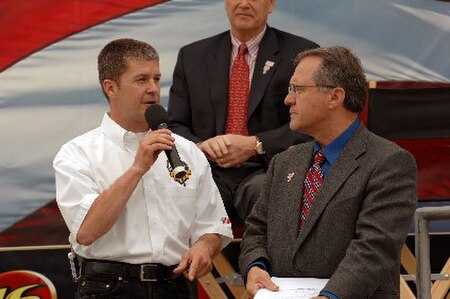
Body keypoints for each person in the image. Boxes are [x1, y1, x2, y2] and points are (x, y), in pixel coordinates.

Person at [53, 38, 233, 298]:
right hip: (108, 287)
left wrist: (205, 247)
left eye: (157, 79)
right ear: (110, 87)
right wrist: (138, 168)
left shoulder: (187, 151)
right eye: (141, 80)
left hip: (175, 284)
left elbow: (214, 225)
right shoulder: (78, 153)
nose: (153, 89)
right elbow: (86, 232)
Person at [239, 46, 418, 298]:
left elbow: (373, 249)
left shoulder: (389, 163)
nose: (288, 99)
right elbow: (256, 229)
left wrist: (330, 296)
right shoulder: (283, 163)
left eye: (298, 89)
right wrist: (255, 266)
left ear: (335, 97)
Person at [168, 0, 318, 220]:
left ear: (271, 4)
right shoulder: (192, 56)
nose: (244, 3)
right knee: (178, 196)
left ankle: (260, 256)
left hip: (268, 170)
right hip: (208, 170)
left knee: (271, 196)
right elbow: (175, 125)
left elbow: (313, 124)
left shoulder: (302, 55)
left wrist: (256, 144)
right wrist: (201, 147)